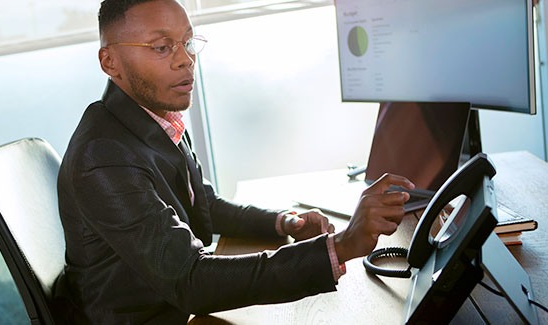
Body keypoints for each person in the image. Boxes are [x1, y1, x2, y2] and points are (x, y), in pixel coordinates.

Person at [54, 0, 415, 323]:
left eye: (187, 42)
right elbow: (190, 279)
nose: (185, 59)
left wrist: (283, 223)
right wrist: (344, 245)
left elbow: (201, 202)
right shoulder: (102, 155)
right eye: (162, 47)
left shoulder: (154, 117)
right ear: (110, 62)